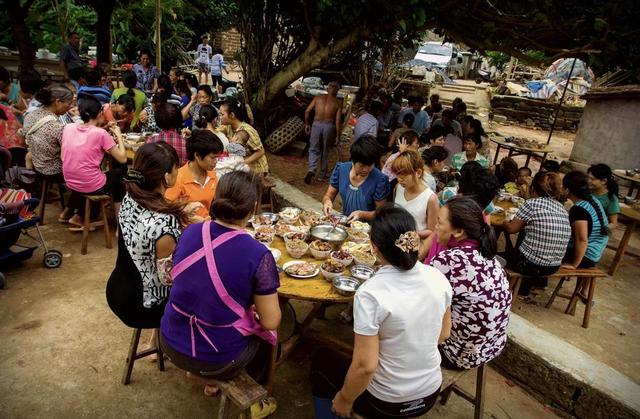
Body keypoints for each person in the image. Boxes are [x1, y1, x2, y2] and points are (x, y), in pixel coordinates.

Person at [311, 205, 452, 418]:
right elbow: (443, 335)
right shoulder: (438, 278)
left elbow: (365, 366)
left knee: (321, 360)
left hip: (386, 402)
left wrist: (345, 399)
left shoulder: (370, 293)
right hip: (429, 392)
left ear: (374, 247)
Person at [160, 171, 279, 417]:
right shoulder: (259, 254)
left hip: (170, 341)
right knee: (271, 334)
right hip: (217, 358)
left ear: (215, 200)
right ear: (253, 209)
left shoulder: (190, 232)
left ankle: (204, 378)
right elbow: (270, 321)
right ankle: (256, 397)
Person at [106, 142, 186, 354]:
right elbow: (168, 279)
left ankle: (157, 340)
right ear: (168, 176)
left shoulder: (131, 196)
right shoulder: (164, 225)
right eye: (176, 168)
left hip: (118, 288)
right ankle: (191, 356)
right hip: (142, 306)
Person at [430, 196, 512, 369]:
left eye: (439, 222)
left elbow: (421, 306)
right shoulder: (488, 256)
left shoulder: (448, 261)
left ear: (459, 231)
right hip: (492, 347)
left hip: (458, 354)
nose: (435, 228)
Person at [61, 96, 127, 228]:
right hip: (90, 184)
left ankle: (75, 215)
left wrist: (105, 128)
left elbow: (88, 133)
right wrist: (118, 134)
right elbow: (122, 158)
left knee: (97, 174)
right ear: (99, 114)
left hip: (70, 180)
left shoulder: (68, 127)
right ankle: (121, 225)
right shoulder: (100, 134)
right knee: (119, 176)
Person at [502, 172, 571, 293]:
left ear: (533, 189)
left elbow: (512, 229)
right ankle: (523, 289)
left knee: (493, 256)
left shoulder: (532, 204)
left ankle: (497, 290)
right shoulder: (562, 209)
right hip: (553, 266)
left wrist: (505, 220)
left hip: (529, 265)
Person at [323, 136, 390, 222]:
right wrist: (327, 201)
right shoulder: (341, 169)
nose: (366, 169)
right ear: (353, 161)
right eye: (362, 165)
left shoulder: (380, 180)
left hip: (366, 228)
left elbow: (380, 213)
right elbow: (329, 195)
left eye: (370, 165)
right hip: (345, 221)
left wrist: (362, 214)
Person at [165, 130, 224, 221]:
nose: (216, 161)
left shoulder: (212, 175)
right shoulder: (178, 178)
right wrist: (185, 216)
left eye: (217, 157)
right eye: (213, 157)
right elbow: (166, 209)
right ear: (197, 155)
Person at [21, 85, 73, 178]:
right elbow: (69, 151)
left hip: (37, 162)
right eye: (69, 104)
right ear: (58, 102)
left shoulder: (30, 115)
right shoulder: (56, 127)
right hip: (53, 170)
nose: (70, 107)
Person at [562, 171, 609, 270]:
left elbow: (582, 240)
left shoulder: (578, 209)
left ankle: (538, 283)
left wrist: (574, 265)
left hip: (587, 256)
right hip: (596, 251)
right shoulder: (592, 199)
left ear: (567, 190)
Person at [392, 151, 439, 238]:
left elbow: (433, 230)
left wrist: (413, 234)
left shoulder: (430, 198)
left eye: (404, 175)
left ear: (418, 173)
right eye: (398, 174)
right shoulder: (398, 188)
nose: (400, 179)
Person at [304, 81, 343, 184]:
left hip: (316, 124)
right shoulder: (338, 103)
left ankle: (311, 169)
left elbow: (307, 111)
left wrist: (307, 124)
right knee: (325, 151)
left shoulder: (318, 98)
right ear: (337, 91)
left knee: (313, 148)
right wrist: (338, 136)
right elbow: (338, 121)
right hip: (329, 126)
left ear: (327, 89)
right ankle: (322, 175)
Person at [219, 98, 269, 175]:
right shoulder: (228, 126)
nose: (220, 117)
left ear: (232, 115)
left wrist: (242, 163)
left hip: (256, 169)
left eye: (222, 114)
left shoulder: (248, 131)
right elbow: (215, 131)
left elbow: (260, 151)